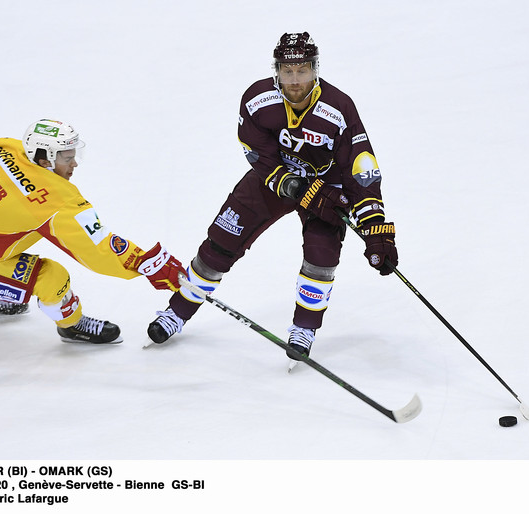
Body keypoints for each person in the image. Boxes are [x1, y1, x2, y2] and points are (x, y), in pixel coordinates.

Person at [146, 33, 398, 361]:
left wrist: (374, 226)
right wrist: (293, 185)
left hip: (327, 185)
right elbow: (260, 155)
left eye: (303, 70)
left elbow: (360, 167)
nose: (295, 80)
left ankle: (304, 328)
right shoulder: (257, 100)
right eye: (287, 71)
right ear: (276, 70)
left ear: (315, 70)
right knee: (221, 242)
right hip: (273, 180)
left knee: (322, 257)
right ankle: (176, 313)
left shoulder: (339, 107)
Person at [0, 118, 185, 344]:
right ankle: (71, 325)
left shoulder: (4, 149)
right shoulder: (57, 201)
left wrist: (1, 197)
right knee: (52, 277)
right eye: (68, 158)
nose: (75, 164)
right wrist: (145, 263)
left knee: (3, 243)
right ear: (45, 160)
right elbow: (98, 249)